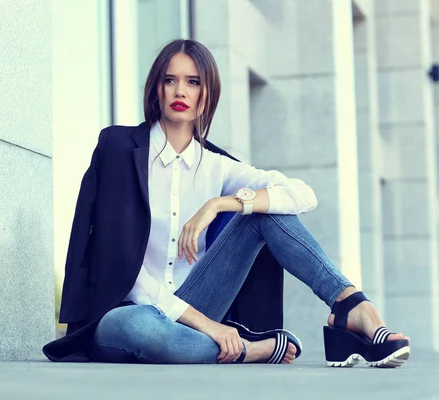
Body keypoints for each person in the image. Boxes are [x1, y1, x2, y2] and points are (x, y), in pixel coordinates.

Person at [43, 39, 410, 367]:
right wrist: (211, 327)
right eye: (170, 80)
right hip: (127, 311)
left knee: (263, 211)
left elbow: (302, 195)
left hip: (198, 300)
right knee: (146, 328)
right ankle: (254, 349)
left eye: (193, 81)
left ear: (207, 93)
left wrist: (222, 203)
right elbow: (115, 259)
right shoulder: (119, 149)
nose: (179, 90)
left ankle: (350, 305)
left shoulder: (217, 165)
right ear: (156, 89)